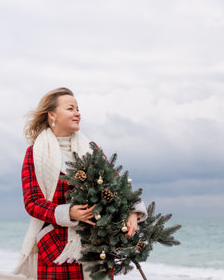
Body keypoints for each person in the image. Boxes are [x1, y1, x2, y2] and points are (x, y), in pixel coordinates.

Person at [13, 87, 147, 280]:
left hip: (97, 248)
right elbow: (32, 202)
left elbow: (117, 185)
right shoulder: (35, 154)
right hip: (57, 251)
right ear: (52, 114)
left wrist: (132, 211)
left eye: (78, 109)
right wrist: (68, 213)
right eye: (70, 108)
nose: (77, 113)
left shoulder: (92, 150)